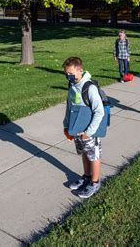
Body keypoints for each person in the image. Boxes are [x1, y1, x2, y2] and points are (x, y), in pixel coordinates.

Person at [63, 57, 104, 198]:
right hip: (77, 129)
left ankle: (95, 182)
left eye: (71, 73)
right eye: (66, 74)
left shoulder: (89, 88)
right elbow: (69, 107)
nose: (69, 76)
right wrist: (66, 125)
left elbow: (99, 111)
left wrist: (89, 132)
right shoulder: (72, 86)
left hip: (89, 131)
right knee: (84, 154)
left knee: (93, 156)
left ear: (80, 70)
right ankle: (87, 177)